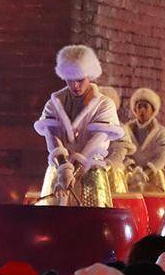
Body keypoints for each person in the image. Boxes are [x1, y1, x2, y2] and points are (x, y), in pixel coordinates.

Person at [36, 47, 125, 206]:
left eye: (79, 80)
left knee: (91, 218)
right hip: (59, 170)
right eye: (70, 80)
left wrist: (74, 170)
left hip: (90, 172)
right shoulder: (54, 103)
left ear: (89, 75)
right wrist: (63, 167)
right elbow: (52, 135)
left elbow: (96, 141)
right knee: (52, 218)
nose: (75, 85)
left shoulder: (104, 104)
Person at [121, 88, 165, 194]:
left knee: (156, 199)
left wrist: (148, 170)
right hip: (131, 177)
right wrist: (132, 169)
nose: (142, 110)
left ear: (153, 110)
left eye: (145, 107)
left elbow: (163, 156)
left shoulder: (161, 132)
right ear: (135, 110)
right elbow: (123, 152)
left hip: (154, 176)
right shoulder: (126, 130)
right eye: (139, 107)